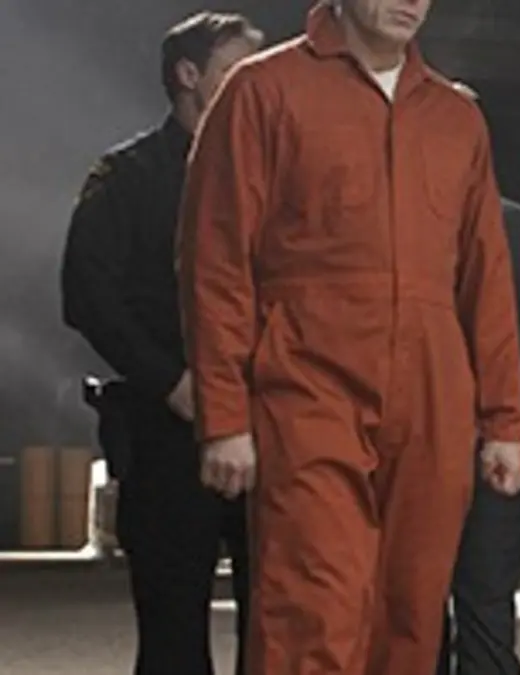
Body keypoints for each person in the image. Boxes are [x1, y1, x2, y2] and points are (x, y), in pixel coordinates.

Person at [175, 1, 520, 673]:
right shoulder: (263, 92)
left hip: (432, 398)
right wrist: (224, 416)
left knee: (412, 616)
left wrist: (504, 420)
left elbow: (486, 275)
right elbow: (215, 261)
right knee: (312, 608)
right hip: (308, 389)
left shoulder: (456, 118)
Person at [59, 11, 262, 675]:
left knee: (277, 627)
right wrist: (173, 384)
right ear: (188, 75)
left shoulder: (276, 173)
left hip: (268, 422)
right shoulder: (128, 176)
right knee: (173, 627)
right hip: (167, 428)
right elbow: (88, 296)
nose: (255, 85)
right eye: (236, 70)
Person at [438, 191, 520, 673]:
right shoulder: (390, 219)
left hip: (498, 445)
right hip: (419, 444)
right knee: (417, 603)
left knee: (487, 597)